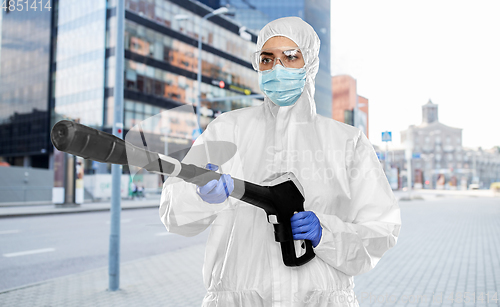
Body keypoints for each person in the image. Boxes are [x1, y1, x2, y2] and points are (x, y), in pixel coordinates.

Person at [160, 17, 401, 306]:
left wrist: (327, 233)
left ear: (309, 63)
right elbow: (172, 212)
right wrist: (199, 195)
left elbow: (382, 229)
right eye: (267, 59)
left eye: (290, 57)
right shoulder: (226, 130)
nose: (277, 68)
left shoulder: (346, 143)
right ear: (257, 65)